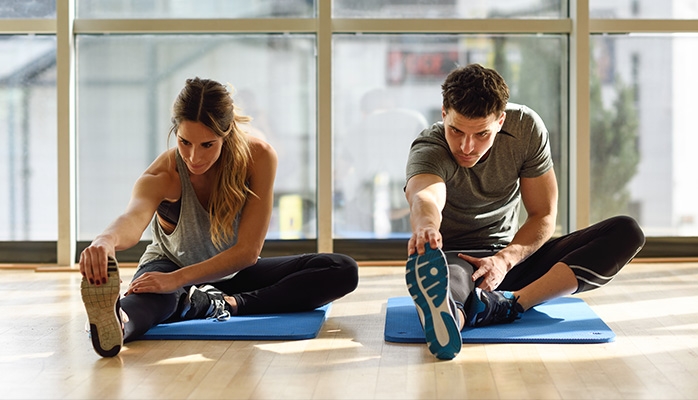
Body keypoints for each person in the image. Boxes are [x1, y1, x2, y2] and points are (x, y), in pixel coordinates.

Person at [79, 77, 359, 358]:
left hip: (232, 272)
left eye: (207, 145)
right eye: (184, 142)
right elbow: (133, 218)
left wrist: (180, 280)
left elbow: (247, 253)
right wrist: (106, 241)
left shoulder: (258, 158)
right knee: (156, 301)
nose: (193, 157)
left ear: (226, 133)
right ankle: (119, 325)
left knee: (342, 269)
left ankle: (224, 303)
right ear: (175, 131)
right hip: (169, 267)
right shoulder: (164, 174)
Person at [404, 64, 645, 360]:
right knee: (447, 288)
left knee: (626, 232)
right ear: (444, 114)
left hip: (514, 259)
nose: (467, 146)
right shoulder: (429, 146)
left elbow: (543, 214)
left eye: (481, 134)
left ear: (501, 121)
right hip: (458, 261)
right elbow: (426, 196)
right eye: (456, 130)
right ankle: (451, 319)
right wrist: (427, 227)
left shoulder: (525, 128)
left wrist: (504, 261)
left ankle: (511, 303)